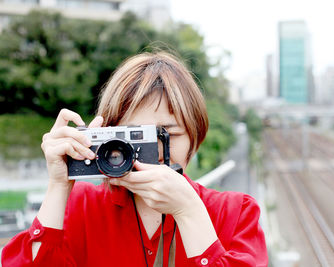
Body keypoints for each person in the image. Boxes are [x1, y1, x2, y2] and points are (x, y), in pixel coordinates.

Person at [1, 52, 268, 266]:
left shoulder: (236, 213)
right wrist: (58, 186)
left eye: (166, 134)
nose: (152, 153)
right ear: (107, 137)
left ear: (195, 137)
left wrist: (188, 212)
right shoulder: (79, 206)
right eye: (135, 138)